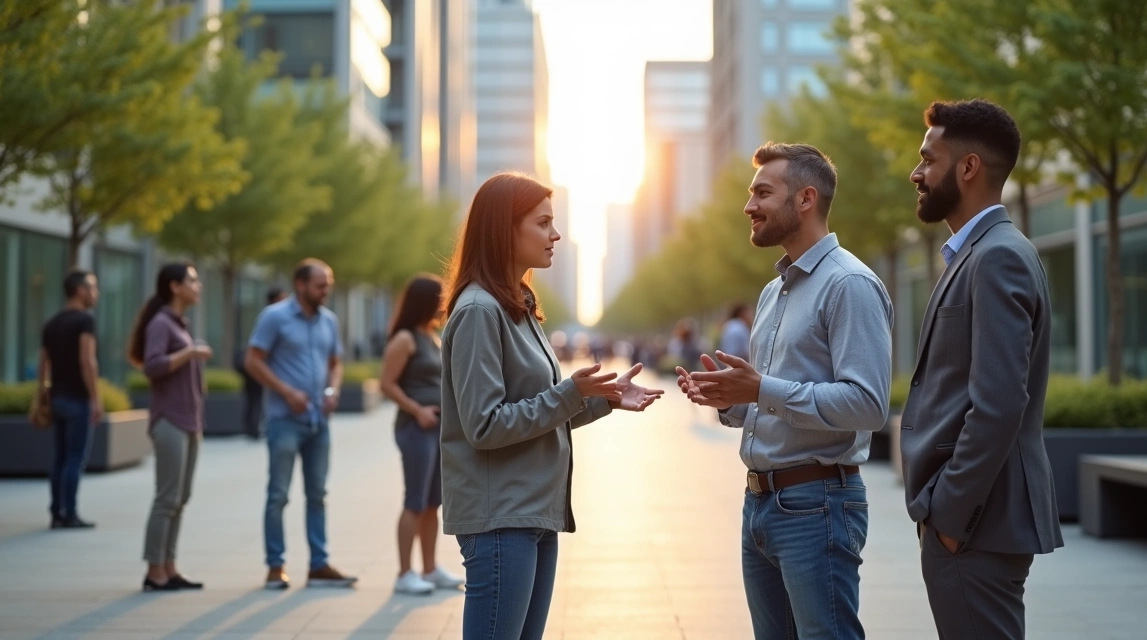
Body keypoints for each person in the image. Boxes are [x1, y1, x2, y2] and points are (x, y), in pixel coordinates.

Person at [677, 142, 893, 639]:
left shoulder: (850, 285)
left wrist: (762, 388)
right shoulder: (774, 291)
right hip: (760, 503)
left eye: (762, 192)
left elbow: (867, 405)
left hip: (816, 505)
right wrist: (732, 400)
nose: (749, 206)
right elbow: (771, 399)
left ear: (805, 199)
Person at [440, 172, 664, 639]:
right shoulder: (480, 311)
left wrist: (603, 399)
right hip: (501, 517)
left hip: (532, 512)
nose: (555, 235)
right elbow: (484, 424)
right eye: (543, 223)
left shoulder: (516, 305)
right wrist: (569, 393)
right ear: (506, 229)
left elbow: (535, 411)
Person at [901, 99, 1063, 639]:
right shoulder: (984, 252)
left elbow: (998, 405)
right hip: (975, 524)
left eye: (928, 159)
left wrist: (949, 517)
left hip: (976, 525)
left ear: (968, 168)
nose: (916, 173)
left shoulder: (997, 257)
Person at [244, 259, 357, 590]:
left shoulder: (329, 321)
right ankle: (275, 566)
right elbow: (253, 361)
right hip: (284, 421)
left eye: (329, 284)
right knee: (278, 495)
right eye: (321, 285)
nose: (326, 291)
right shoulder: (274, 317)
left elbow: (335, 363)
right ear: (301, 285)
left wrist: (333, 389)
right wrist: (286, 392)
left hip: (318, 421)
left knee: (318, 494)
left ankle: (319, 565)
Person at [129, 263, 213, 591]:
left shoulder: (180, 323)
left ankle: (170, 566)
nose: (199, 285)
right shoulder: (162, 323)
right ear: (175, 287)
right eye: (193, 280)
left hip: (190, 421)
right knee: (167, 498)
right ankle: (154, 571)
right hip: (170, 421)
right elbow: (152, 366)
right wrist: (189, 352)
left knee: (181, 497)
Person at [380, 274, 463, 594]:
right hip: (416, 428)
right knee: (414, 500)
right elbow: (386, 383)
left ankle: (429, 570)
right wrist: (418, 410)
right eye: (441, 299)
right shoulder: (404, 339)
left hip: (438, 428)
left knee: (432, 503)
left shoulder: (430, 336)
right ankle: (404, 574)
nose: (445, 304)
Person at [39, 270, 101, 530]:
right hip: (77, 399)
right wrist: (95, 398)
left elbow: (43, 364)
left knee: (60, 458)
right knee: (75, 458)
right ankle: (70, 513)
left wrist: (41, 395)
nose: (96, 293)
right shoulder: (85, 321)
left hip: (57, 398)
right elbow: (87, 360)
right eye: (93, 287)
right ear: (80, 290)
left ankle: (56, 512)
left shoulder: (51, 323)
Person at [237, 287, 287, 440]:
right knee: (255, 397)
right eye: (282, 297)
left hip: (258, 363)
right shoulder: (271, 316)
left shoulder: (270, 315)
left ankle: (252, 427)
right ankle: (252, 428)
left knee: (254, 398)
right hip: (257, 365)